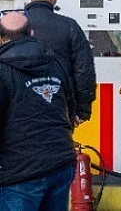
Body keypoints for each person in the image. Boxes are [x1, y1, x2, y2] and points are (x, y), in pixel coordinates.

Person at [0, 11, 76, 210]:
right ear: (31, 33)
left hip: (20, 173)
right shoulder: (55, 62)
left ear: (0, 39)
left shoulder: (2, 70)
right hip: (60, 162)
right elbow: (71, 107)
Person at [24, 0, 96, 127]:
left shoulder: (12, 26)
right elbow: (84, 71)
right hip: (60, 106)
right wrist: (82, 110)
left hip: (19, 110)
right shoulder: (69, 26)